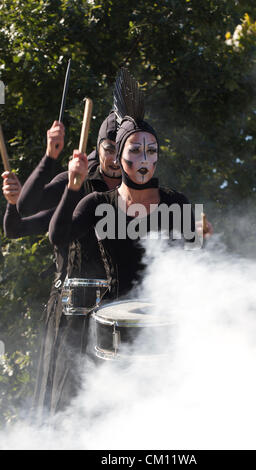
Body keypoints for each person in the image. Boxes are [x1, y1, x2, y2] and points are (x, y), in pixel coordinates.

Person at [14, 113, 121, 419]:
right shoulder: (77, 177)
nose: (114, 158)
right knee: (63, 399)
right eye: (108, 149)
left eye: (120, 149)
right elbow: (26, 207)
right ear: (98, 148)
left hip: (116, 311)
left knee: (115, 401)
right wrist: (51, 155)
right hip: (70, 309)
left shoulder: (137, 189)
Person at [49, 114, 200, 300]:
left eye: (151, 151)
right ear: (119, 157)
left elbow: (197, 260)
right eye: (135, 150)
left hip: (163, 316)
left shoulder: (177, 202)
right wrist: (72, 187)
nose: (144, 159)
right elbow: (58, 237)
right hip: (113, 318)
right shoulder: (97, 202)